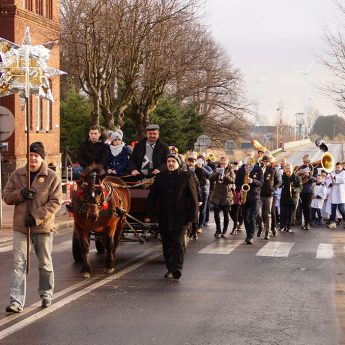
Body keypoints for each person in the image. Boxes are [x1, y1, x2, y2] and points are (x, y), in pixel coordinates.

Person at [3, 142, 62, 313]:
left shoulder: (52, 177)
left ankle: (46, 294)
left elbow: (56, 202)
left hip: (42, 227)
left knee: (44, 263)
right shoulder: (17, 175)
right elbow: (6, 196)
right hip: (21, 227)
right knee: (18, 264)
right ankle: (16, 302)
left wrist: (36, 217)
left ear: (42, 157)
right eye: (30, 156)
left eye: (36, 156)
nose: (33, 159)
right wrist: (19, 194)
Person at [144, 154, 198, 279]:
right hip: (164, 216)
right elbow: (152, 196)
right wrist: (147, 213)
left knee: (178, 243)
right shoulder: (160, 177)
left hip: (181, 217)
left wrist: (192, 218)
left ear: (178, 163)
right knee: (166, 244)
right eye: (169, 161)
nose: (171, 163)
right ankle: (170, 268)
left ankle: (177, 268)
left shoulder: (186, 176)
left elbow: (193, 199)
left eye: (173, 161)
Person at [235, 154, 263, 244]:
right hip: (244, 195)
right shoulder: (241, 170)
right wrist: (240, 190)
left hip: (254, 196)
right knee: (245, 217)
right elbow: (237, 183)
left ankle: (251, 236)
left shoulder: (258, 169)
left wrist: (252, 181)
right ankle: (248, 234)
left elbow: (261, 182)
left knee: (252, 216)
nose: (248, 164)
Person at [209, 157, 235, 238]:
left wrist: (226, 176)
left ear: (227, 164)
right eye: (221, 164)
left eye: (224, 164)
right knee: (216, 213)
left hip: (226, 195)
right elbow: (210, 178)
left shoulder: (230, 170)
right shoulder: (217, 169)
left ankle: (225, 230)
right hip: (217, 194)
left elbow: (234, 180)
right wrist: (217, 174)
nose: (223, 165)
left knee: (225, 213)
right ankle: (218, 229)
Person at [256, 155, 280, 240]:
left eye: (266, 162)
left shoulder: (273, 170)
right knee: (258, 213)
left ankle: (267, 232)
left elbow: (278, 182)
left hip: (269, 195)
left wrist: (273, 189)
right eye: (264, 161)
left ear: (269, 162)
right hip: (259, 194)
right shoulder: (259, 169)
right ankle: (261, 226)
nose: (265, 163)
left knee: (268, 214)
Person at [295, 154, 316, 230]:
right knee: (303, 207)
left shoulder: (313, 168)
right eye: (304, 161)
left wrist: (309, 176)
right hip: (302, 190)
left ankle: (307, 223)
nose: (306, 163)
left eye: (307, 161)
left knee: (307, 207)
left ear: (309, 161)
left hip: (309, 191)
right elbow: (295, 179)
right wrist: (297, 175)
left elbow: (315, 179)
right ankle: (303, 223)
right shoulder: (300, 168)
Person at [279, 164, 302, 232]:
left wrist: (295, 190)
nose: (288, 173)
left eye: (289, 171)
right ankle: (282, 226)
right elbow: (279, 184)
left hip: (293, 198)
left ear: (292, 170)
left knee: (291, 214)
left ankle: (289, 227)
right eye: (287, 171)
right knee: (283, 213)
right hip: (284, 198)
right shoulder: (283, 177)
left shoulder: (297, 178)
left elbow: (300, 188)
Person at [327, 162, 345, 229]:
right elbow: (328, 181)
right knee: (333, 209)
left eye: (338, 167)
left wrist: (334, 177)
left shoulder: (344, 173)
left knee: (341, 209)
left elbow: (343, 180)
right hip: (333, 193)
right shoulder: (333, 172)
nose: (337, 169)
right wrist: (330, 183)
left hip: (341, 194)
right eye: (336, 167)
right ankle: (332, 223)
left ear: (342, 167)